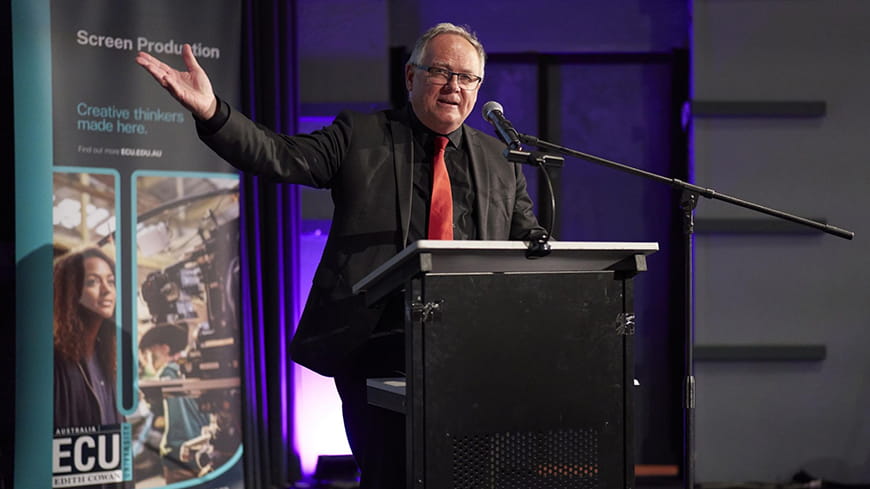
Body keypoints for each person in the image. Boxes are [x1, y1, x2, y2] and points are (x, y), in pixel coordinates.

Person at [137, 22, 544, 488]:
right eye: (441, 72)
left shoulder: (500, 160)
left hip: (471, 352)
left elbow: (526, 242)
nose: (454, 86)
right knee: (393, 475)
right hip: (379, 346)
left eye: (467, 78)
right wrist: (212, 112)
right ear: (411, 78)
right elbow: (279, 155)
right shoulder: (362, 134)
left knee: (471, 476)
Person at [53, 247, 126, 489]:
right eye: (93, 282)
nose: (107, 291)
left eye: (111, 281)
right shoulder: (55, 361)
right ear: (71, 293)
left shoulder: (107, 358)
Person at [139, 324, 211, 484]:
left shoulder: (167, 374)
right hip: (205, 452)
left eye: (150, 354)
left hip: (178, 458)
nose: (147, 361)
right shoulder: (196, 371)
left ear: (164, 349)